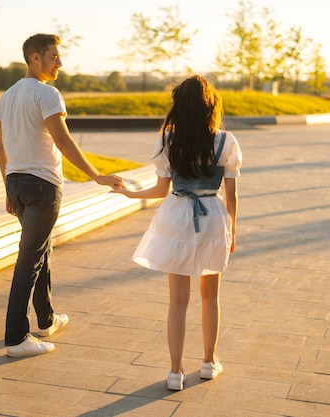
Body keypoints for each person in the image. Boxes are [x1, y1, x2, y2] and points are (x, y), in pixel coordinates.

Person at [0, 33, 123, 357]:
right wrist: (97, 176)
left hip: (17, 184)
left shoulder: (7, 97)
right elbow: (64, 142)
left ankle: (46, 319)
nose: (60, 63)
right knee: (30, 259)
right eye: (54, 57)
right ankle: (16, 338)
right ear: (34, 58)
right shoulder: (47, 94)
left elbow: (0, 147)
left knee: (41, 251)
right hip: (42, 187)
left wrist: (8, 187)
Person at [111, 75, 242, 391]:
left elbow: (160, 189)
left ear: (179, 107)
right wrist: (232, 231)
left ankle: (175, 372)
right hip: (212, 216)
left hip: (176, 215)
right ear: (211, 106)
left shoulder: (168, 140)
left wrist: (131, 194)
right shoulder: (225, 141)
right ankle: (209, 363)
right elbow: (232, 195)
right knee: (210, 296)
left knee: (177, 300)